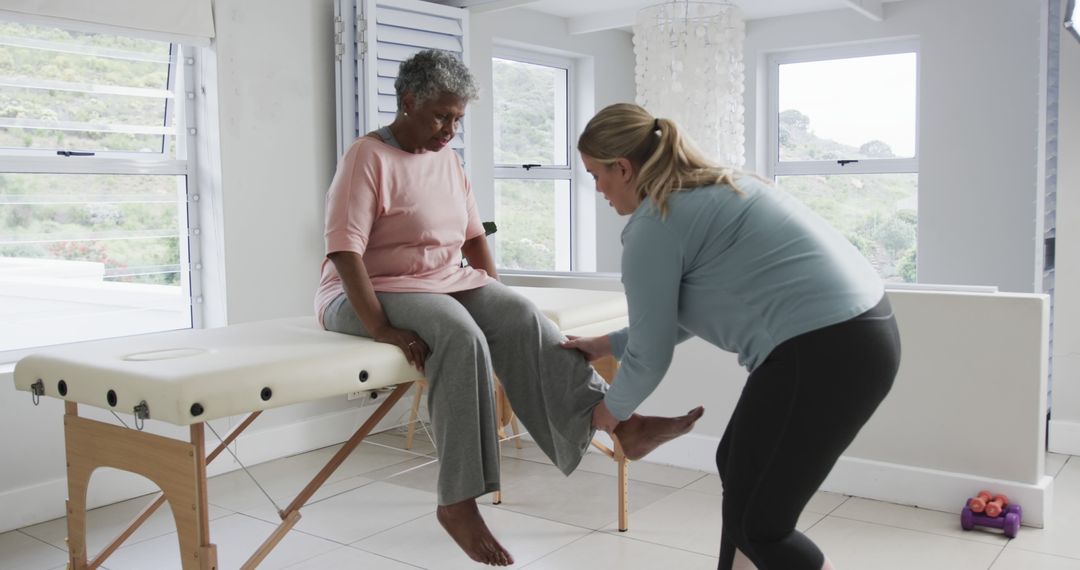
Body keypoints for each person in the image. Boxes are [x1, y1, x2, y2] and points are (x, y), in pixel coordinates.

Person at [315, 53, 704, 567]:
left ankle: (618, 424)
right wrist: (381, 327)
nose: (450, 130)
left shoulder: (446, 160)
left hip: (442, 282)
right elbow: (345, 251)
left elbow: (474, 239)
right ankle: (457, 500)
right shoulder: (366, 158)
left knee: (521, 313)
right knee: (459, 334)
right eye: (440, 116)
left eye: (457, 119)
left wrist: (497, 304)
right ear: (407, 103)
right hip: (364, 290)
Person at [561, 103, 901, 570]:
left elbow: (651, 353)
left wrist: (608, 413)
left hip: (821, 351)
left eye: (596, 174)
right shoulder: (714, 189)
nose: (597, 189)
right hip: (858, 336)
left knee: (763, 527)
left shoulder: (653, 224)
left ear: (622, 167)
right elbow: (680, 314)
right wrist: (603, 346)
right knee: (736, 469)